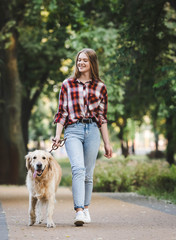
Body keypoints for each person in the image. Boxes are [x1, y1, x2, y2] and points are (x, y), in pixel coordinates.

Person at [53, 48, 113, 226]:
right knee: (78, 169)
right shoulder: (67, 84)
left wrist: (107, 143)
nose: (81, 63)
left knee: (88, 173)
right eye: (79, 60)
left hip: (93, 130)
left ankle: (86, 208)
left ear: (92, 63)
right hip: (72, 130)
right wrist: (57, 135)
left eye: (85, 60)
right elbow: (62, 112)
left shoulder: (100, 87)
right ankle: (78, 210)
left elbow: (102, 117)